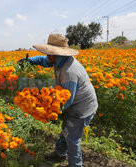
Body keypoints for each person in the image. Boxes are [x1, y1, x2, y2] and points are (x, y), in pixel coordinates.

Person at [18, 34, 98, 167]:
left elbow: (66, 101)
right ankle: (60, 153)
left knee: (72, 138)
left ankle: (75, 165)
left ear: (59, 54)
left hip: (82, 108)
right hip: (75, 103)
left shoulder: (69, 72)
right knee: (66, 129)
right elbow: (43, 60)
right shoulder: (59, 60)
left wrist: (47, 111)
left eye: (50, 53)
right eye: (48, 53)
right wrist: (29, 61)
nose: (48, 56)